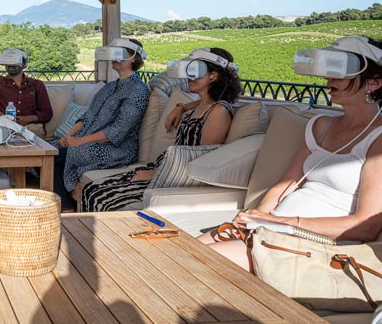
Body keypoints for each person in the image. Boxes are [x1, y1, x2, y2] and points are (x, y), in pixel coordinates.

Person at [200, 36, 382, 271]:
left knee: (193, 263)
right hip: (272, 231)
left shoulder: (377, 138)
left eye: (342, 71)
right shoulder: (320, 125)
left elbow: (365, 226)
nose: (328, 78)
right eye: (329, 70)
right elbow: (285, 184)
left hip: (312, 247)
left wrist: (283, 222)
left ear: (374, 82)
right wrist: (256, 216)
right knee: (174, 252)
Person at [83, 47, 240, 212]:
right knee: (91, 188)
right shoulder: (203, 105)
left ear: (213, 76)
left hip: (176, 175)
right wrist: (182, 107)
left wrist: (154, 174)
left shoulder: (219, 112)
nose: (188, 76)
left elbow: (201, 158)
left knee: (100, 196)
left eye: (195, 70)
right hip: (164, 166)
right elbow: (204, 104)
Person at [53, 38, 150, 209]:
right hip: (88, 139)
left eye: (120, 52)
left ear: (133, 58)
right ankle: (64, 204)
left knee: (65, 154)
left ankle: (65, 208)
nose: (114, 56)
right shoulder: (109, 86)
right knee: (50, 150)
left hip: (117, 149)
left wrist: (79, 142)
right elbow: (87, 115)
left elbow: (119, 130)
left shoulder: (138, 90)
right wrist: (69, 136)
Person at [0, 48, 53, 127]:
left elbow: (47, 113)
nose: (10, 65)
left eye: (15, 61)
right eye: (8, 61)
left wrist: (28, 119)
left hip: (31, 127)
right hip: (6, 126)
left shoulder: (37, 84)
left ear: (24, 65)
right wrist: (1, 116)